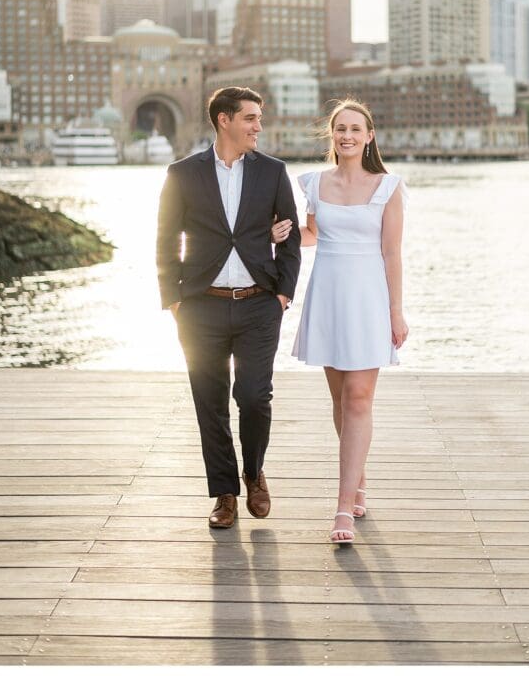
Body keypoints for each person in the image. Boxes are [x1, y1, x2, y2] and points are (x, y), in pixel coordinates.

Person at [156, 86, 301, 529]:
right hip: (201, 306)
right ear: (225, 120)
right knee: (210, 400)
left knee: (254, 396)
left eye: (259, 118)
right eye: (250, 118)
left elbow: (291, 237)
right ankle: (224, 493)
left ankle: (254, 472)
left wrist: (283, 294)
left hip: (259, 304)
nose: (259, 126)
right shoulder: (183, 173)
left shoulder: (273, 171)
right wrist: (174, 299)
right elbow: (166, 239)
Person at [272, 99, 408, 544]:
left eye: (355, 129)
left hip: (368, 298)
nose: (347, 136)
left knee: (358, 399)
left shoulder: (388, 187)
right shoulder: (314, 183)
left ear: (369, 136)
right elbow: (313, 234)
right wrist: (283, 234)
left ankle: (343, 508)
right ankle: (358, 481)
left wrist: (396, 312)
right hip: (328, 295)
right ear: (332, 136)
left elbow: (392, 254)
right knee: (339, 401)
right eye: (340, 129)